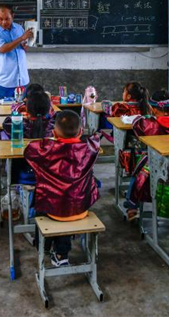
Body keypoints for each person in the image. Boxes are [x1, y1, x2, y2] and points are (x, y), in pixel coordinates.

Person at [24, 111, 100, 267]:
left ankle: (43, 246)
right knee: (67, 200)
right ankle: (61, 254)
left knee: (47, 202)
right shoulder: (90, 148)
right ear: (80, 131)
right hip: (81, 208)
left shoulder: (45, 149)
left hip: (52, 211)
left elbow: (29, 150)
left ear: (53, 132)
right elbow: (94, 139)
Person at [125, 90, 169, 221]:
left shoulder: (147, 124)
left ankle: (132, 206)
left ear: (153, 109)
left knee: (139, 170)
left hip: (155, 169)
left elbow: (136, 125)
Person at [0, 4, 34, 148]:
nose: (3, 22)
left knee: (21, 111)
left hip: (21, 79)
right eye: (0, 19)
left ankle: (16, 135)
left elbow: (22, 45)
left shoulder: (18, 28)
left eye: (7, 19)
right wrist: (21, 38)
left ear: (13, 16)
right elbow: (3, 48)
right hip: (5, 80)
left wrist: (25, 45)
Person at [2, 91, 55, 185]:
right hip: (49, 174)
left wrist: (19, 111)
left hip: (22, 173)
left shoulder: (17, 126)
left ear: (27, 108)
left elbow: (7, 122)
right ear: (49, 109)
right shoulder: (54, 126)